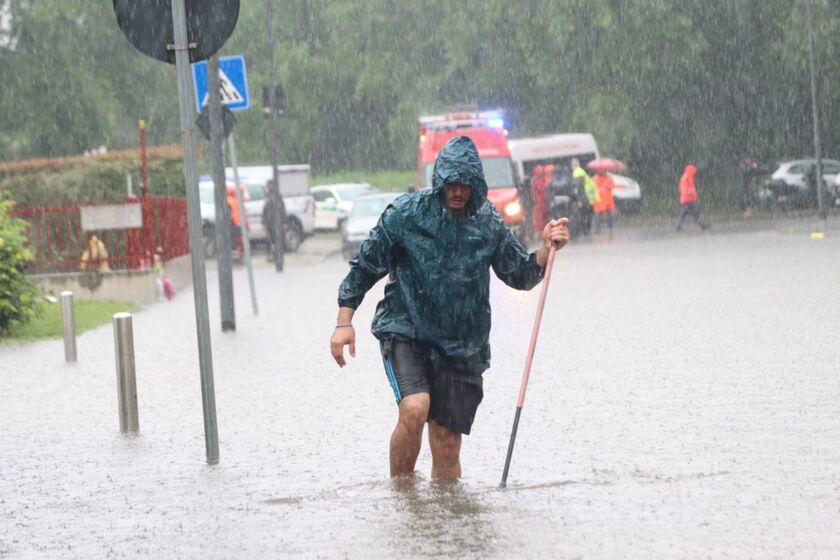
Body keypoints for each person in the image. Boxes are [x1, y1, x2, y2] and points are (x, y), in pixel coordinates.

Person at [330, 136, 569, 479]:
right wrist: (344, 322)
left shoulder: (487, 223)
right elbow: (365, 266)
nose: (458, 191)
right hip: (406, 329)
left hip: (462, 344)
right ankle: (402, 495)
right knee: (414, 409)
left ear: (477, 185)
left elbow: (520, 273)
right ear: (439, 182)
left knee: (445, 442)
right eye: (451, 184)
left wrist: (546, 251)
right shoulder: (406, 215)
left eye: (466, 185)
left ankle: (446, 522)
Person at [675, 164, 710, 232]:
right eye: (693, 171)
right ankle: (702, 226)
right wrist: (691, 194)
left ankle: (679, 227)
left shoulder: (689, 177)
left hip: (689, 199)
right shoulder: (686, 178)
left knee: (684, 214)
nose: (694, 173)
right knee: (691, 214)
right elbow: (684, 190)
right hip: (687, 200)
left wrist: (693, 196)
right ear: (691, 171)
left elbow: (689, 189)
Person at [262, 180, 286, 262]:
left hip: (275, 223)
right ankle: (272, 255)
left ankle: (277, 256)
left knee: (276, 240)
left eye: (268, 187)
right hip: (271, 223)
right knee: (270, 240)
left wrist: (284, 222)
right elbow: (265, 212)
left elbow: (282, 210)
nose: (267, 188)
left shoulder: (276, 197)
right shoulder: (269, 197)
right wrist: (264, 222)